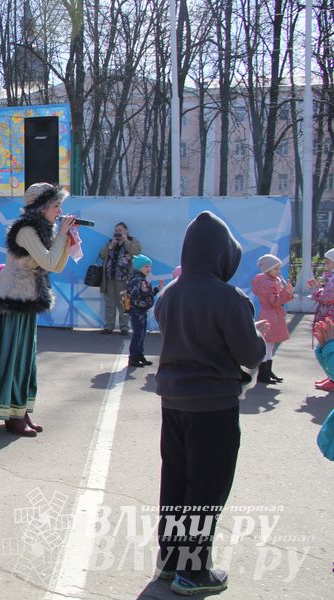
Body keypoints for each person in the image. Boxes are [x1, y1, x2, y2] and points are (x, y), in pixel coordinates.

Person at [154, 211, 269, 595]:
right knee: (206, 488)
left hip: (173, 403)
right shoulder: (228, 297)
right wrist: (256, 335)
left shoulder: (169, 292)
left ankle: (171, 560)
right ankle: (194, 571)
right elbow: (250, 354)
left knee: (175, 480)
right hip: (213, 405)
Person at [0, 183, 75, 436]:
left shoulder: (43, 229)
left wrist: (66, 241)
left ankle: (20, 411)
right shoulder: (26, 229)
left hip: (27, 298)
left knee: (24, 360)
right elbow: (47, 260)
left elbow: (54, 266)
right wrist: (61, 236)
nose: (60, 212)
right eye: (56, 206)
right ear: (42, 206)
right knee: (14, 357)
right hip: (13, 299)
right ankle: (12, 414)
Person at [251, 254, 294, 384]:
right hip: (270, 316)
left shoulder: (271, 281)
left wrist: (286, 292)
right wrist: (287, 292)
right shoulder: (266, 284)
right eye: (276, 269)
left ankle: (267, 371)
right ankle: (263, 373)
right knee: (267, 344)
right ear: (267, 269)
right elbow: (275, 301)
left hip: (273, 315)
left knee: (270, 345)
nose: (278, 271)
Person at [98, 222, 142, 335]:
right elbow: (102, 255)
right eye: (116, 231)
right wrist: (111, 245)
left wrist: (125, 240)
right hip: (109, 278)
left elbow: (137, 251)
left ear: (126, 231)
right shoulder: (111, 242)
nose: (117, 232)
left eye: (120, 230)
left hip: (125, 279)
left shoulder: (132, 241)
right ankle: (109, 326)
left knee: (124, 304)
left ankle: (124, 327)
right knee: (110, 304)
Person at [126, 254, 163, 367]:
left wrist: (157, 289)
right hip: (137, 312)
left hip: (141, 312)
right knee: (138, 335)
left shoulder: (142, 279)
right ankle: (133, 358)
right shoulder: (137, 280)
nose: (149, 269)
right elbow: (135, 296)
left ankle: (139, 355)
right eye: (146, 266)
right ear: (139, 267)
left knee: (141, 335)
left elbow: (147, 294)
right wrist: (142, 305)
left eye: (149, 267)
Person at [309, 249, 334, 390]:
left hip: (331, 319)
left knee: (327, 347)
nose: (325, 265)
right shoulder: (330, 278)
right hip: (329, 317)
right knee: (326, 348)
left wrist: (315, 290)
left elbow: (326, 298)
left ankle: (333, 377)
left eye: (328, 262)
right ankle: (331, 376)